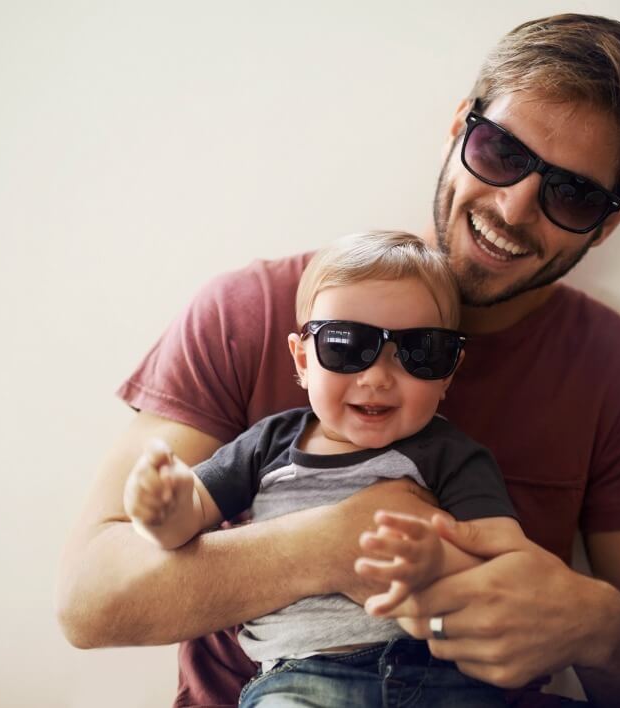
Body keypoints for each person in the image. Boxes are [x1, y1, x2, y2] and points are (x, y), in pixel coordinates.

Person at [57, 13, 620, 707]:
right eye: (502, 151)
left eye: (574, 194)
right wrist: (339, 539)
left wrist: (598, 628)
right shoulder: (247, 310)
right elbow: (90, 599)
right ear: (462, 126)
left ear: (611, 219)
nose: (515, 206)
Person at [123, 231, 526, 707]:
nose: (377, 376)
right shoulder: (267, 446)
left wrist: (440, 565)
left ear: (448, 373)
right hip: (302, 680)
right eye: (346, 345)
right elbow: (183, 526)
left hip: (440, 677)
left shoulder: (451, 455)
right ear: (302, 359)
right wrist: (162, 508)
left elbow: (511, 573)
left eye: (420, 351)